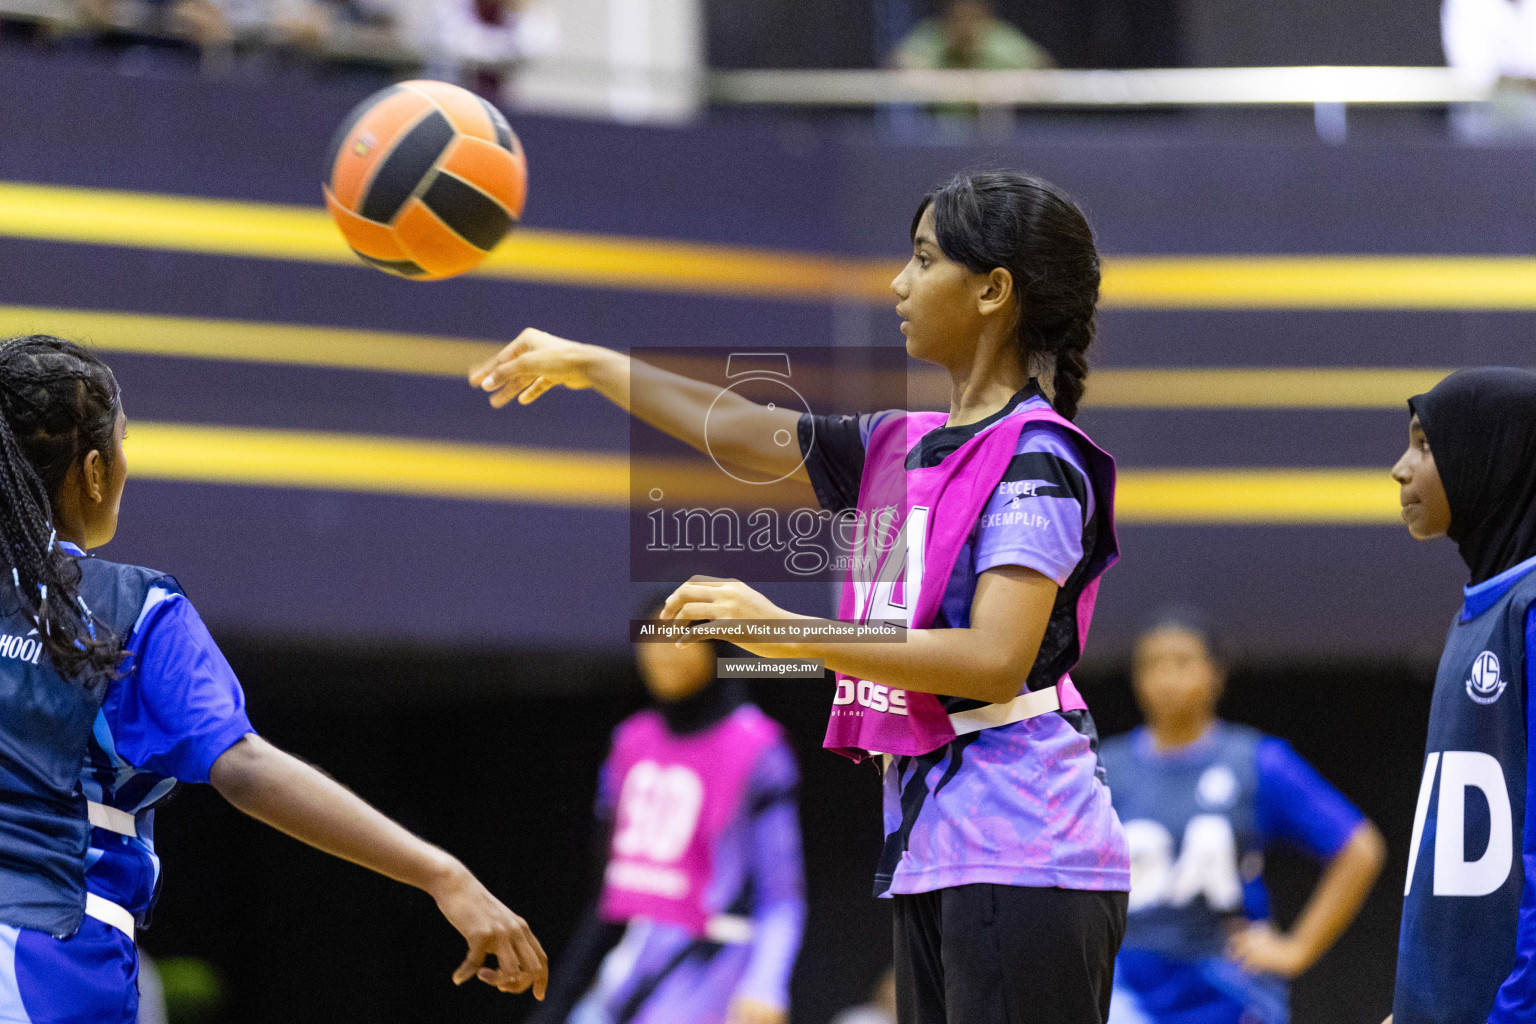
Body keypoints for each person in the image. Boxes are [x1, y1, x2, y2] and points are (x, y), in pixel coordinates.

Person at [470, 169, 1130, 1023]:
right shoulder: (905, 444)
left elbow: (996, 662)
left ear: (993, 291)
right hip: (940, 844)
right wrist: (594, 365)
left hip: (1027, 846)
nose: (899, 283)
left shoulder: (1038, 456)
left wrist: (790, 630)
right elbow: (743, 430)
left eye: (924, 260)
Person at [0, 335, 546, 1022]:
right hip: (44, 966)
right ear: (94, 471)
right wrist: (444, 875)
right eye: (122, 444)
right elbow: (246, 768)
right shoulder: (126, 611)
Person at [529, 594, 805, 1024]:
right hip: (628, 964)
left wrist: (766, 985)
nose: (661, 652)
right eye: (651, 638)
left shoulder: (757, 746)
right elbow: (608, 894)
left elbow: (781, 896)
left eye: (677, 636)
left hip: (708, 970)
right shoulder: (629, 741)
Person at [1100, 610, 1385, 1024]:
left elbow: (1359, 850)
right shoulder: (1106, 767)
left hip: (1228, 992)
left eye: (1182, 662)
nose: (1166, 678)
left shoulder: (1255, 761)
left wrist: (1296, 949)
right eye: (1152, 664)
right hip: (1129, 994)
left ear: (1216, 674)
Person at [1386, 368, 1536, 1024]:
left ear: (1494, 455)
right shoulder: (1482, 609)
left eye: (1424, 444)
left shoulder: (1530, 612)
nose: (1400, 468)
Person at [891, 0, 1054, 71]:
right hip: (935, 132)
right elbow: (897, 63)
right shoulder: (933, 36)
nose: (965, 25)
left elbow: (1042, 64)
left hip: (992, 132)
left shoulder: (999, 39)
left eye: (972, 17)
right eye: (960, 17)